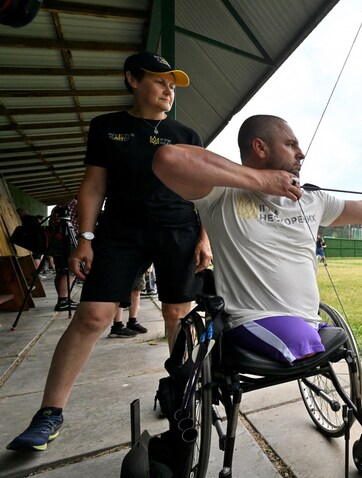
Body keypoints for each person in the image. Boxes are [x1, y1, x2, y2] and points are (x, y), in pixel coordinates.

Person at [7, 52, 212, 452]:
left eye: (172, 84)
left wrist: (204, 238)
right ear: (133, 80)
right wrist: (84, 237)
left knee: (178, 314)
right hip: (120, 231)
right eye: (159, 81)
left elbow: (203, 193)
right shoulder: (107, 127)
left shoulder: (187, 135)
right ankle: (49, 414)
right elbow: (94, 185)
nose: (169, 90)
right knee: (92, 315)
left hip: (178, 230)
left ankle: (182, 395)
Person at [152, 114, 362, 364]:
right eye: (291, 145)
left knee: (325, 338)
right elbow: (168, 159)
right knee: (304, 342)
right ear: (260, 147)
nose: (300, 153)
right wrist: (262, 181)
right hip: (253, 320)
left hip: (308, 321)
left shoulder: (311, 199)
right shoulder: (220, 194)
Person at [48, 197, 79, 312]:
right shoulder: (75, 204)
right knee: (70, 272)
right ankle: (63, 301)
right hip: (69, 241)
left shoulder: (58, 205)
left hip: (56, 241)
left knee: (60, 271)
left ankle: (62, 299)